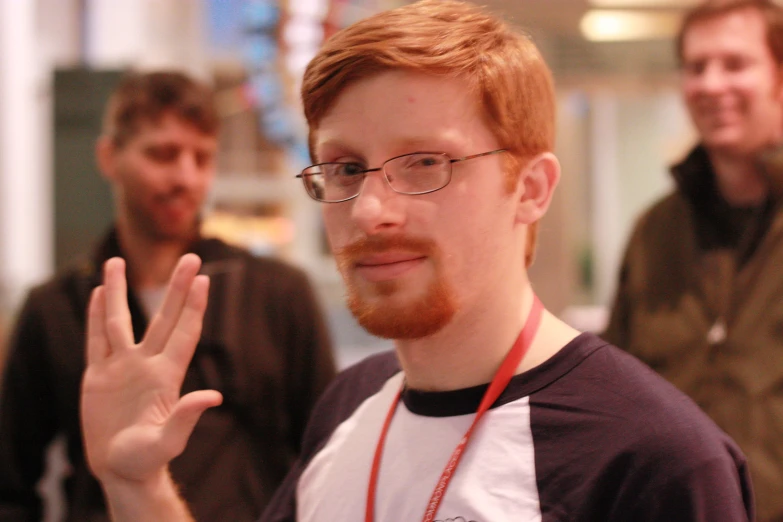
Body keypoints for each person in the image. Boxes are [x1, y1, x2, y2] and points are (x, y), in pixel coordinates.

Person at [79, 2, 754, 521]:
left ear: (529, 189)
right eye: (344, 168)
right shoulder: (345, 407)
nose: (371, 211)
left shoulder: (652, 458)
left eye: (425, 163)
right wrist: (135, 485)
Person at [0, 71, 337, 521]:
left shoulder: (277, 293)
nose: (185, 176)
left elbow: (325, 456)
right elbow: (9, 484)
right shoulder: (54, 308)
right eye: (162, 154)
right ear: (109, 157)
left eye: (202, 158)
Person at [603, 1, 783, 519]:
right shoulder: (654, 232)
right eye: (696, 67)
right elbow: (619, 392)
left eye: (735, 64)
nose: (711, 84)